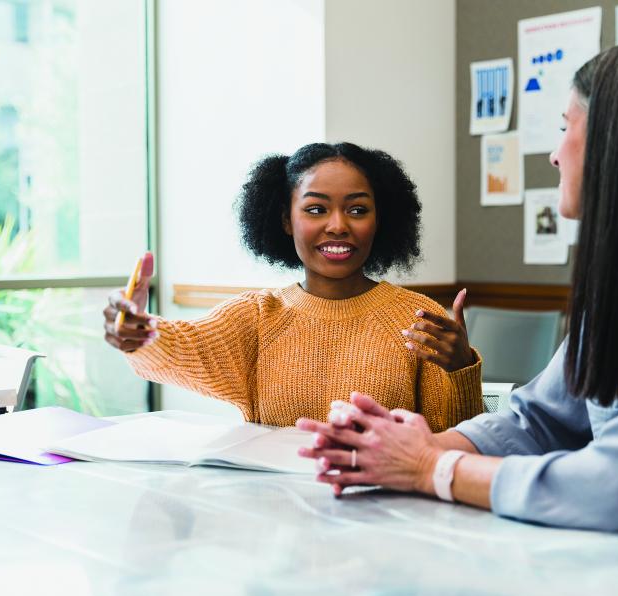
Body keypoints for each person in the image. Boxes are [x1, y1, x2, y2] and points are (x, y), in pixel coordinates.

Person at [297, 41, 618, 532]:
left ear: (615, 141)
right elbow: (540, 419)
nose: (555, 155)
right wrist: (404, 445)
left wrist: (430, 468)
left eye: (565, 128)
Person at [103, 142, 483, 430]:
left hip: (385, 517)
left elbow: (457, 443)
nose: (338, 225)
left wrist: (461, 369)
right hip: (273, 520)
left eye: (357, 209)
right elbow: (182, 346)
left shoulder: (419, 319)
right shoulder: (257, 317)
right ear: (286, 220)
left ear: (380, 221)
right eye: (316, 209)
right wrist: (139, 333)